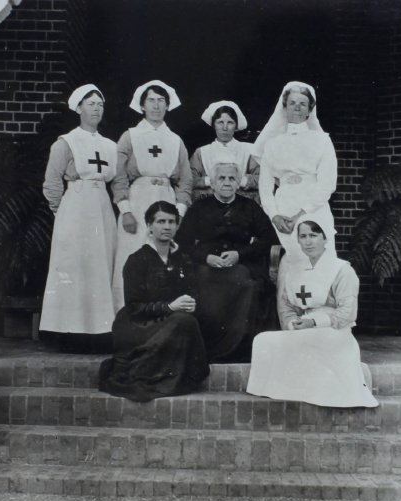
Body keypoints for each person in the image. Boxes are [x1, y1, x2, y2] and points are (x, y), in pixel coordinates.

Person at [246, 216, 377, 408]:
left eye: (314, 235)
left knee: (315, 340)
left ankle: (352, 375)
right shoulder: (296, 271)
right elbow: (288, 306)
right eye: (303, 236)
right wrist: (293, 324)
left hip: (333, 330)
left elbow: (347, 313)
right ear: (297, 240)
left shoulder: (341, 270)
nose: (308, 241)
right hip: (303, 328)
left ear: (325, 238)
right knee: (263, 340)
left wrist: (314, 323)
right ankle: (291, 390)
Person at [99, 201, 209, 402]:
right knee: (184, 322)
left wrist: (191, 303)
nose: (166, 227)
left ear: (177, 226)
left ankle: (176, 375)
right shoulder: (137, 260)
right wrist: (168, 307)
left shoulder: (183, 259)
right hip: (139, 324)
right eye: (160, 221)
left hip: (172, 322)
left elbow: (192, 292)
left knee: (187, 321)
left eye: (171, 222)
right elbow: (134, 307)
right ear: (149, 226)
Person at [175, 161, 278, 361]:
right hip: (207, 266)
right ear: (212, 183)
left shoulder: (250, 207)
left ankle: (239, 349)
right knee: (202, 282)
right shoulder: (199, 207)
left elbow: (268, 239)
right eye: (221, 178)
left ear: (238, 183)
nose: (227, 183)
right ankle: (209, 347)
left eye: (232, 178)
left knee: (246, 282)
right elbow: (182, 243)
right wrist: (206, 257)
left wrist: (240, 254)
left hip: (242, 264)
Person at [40, 84, 118, 338]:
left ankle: (101, 329)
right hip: (75, 205)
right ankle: (67, 330)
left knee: (100, 263)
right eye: (91, 103)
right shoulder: (66, 143)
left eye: (100, 104)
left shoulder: (110, 145)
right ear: (79, 108)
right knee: (74, 265)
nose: (96, 108)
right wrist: (60, 212)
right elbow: (52, 182)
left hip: (102, 206)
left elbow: (117, 181)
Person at [111, 80, 192, 312]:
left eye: (161, 101)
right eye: (151, 101)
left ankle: (162, 315)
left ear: (168, 106)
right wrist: (125, 210)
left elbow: (186, 180)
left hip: (166, 200)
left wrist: (179, 212)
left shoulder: (175, 140)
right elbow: (118, 176)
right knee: (133, 254)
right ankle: (126, 317)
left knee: (164, 256)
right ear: (142, 105)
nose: (156, 106)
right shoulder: (130, 136)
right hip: (137, 201)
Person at [252, 81, 337, 266]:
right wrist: (274, 215)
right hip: (283, 212)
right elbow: (265, 188)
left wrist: (301, 215)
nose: (297, 108)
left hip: (315, 208)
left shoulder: (322, 141)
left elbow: (327, 184)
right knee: (293, 265)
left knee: (322, 264)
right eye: (292, 103)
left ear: (309, 110)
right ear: (285, 108)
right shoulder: (272, 144)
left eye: (303, 104)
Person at [190, 101, 259, 202]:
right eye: (220, 122)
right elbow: (189, 180)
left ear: (236, 126)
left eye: (230, 122)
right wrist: (209, 181)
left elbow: (262, 179)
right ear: (214, 125)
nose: (225, 128)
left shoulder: (248, 150)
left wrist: (242, 181)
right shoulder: (202, 152)